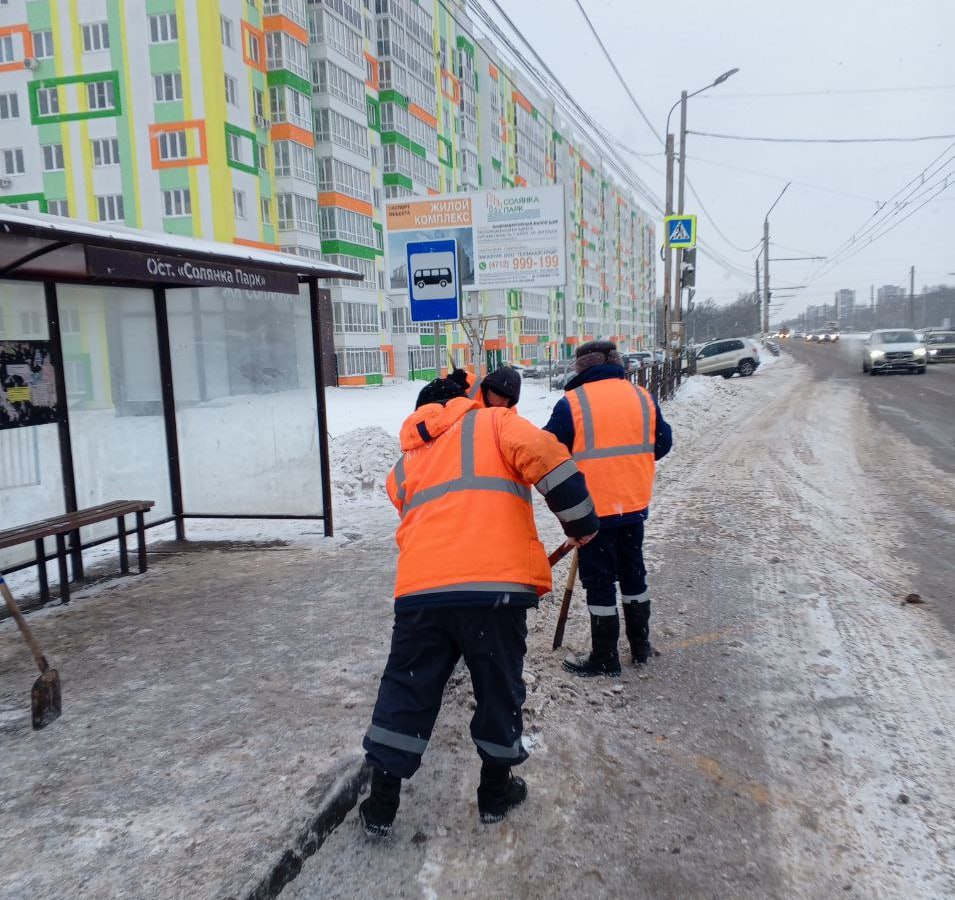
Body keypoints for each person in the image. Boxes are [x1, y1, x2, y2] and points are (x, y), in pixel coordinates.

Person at [359, 376, 598, 836]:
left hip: (421, 594)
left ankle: (381, 805)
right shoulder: (495, 423)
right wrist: (581, 521)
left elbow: (410, 508)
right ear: (461, 403)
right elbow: (548, 457)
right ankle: (494, 793)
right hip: (493, 589)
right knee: (497, 687)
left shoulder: (405, 463)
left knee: (406, 688)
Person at [543, 341, 672, 677]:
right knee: (633, 573)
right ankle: (640, 646)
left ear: (582, 367)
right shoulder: (641, 396)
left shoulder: (573, 403)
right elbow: (662, 443)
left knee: (600, 582)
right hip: (632, 504)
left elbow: (547, 453)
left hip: (593, 513)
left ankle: (605, 656)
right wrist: (629, 464)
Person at [449, 364, 521, 409]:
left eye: (509, 400)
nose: (505, 404)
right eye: (503, 398)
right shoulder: (467, 384)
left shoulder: (510, 412)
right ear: (491, 390)